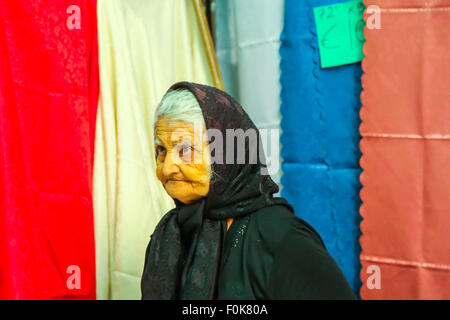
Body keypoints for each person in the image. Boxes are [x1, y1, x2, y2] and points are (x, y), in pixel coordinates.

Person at [141, 81, 356, 300]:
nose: (167, 168)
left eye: (185, 150)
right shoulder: (171, 232)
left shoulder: (281, 238)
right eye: (161, 150)